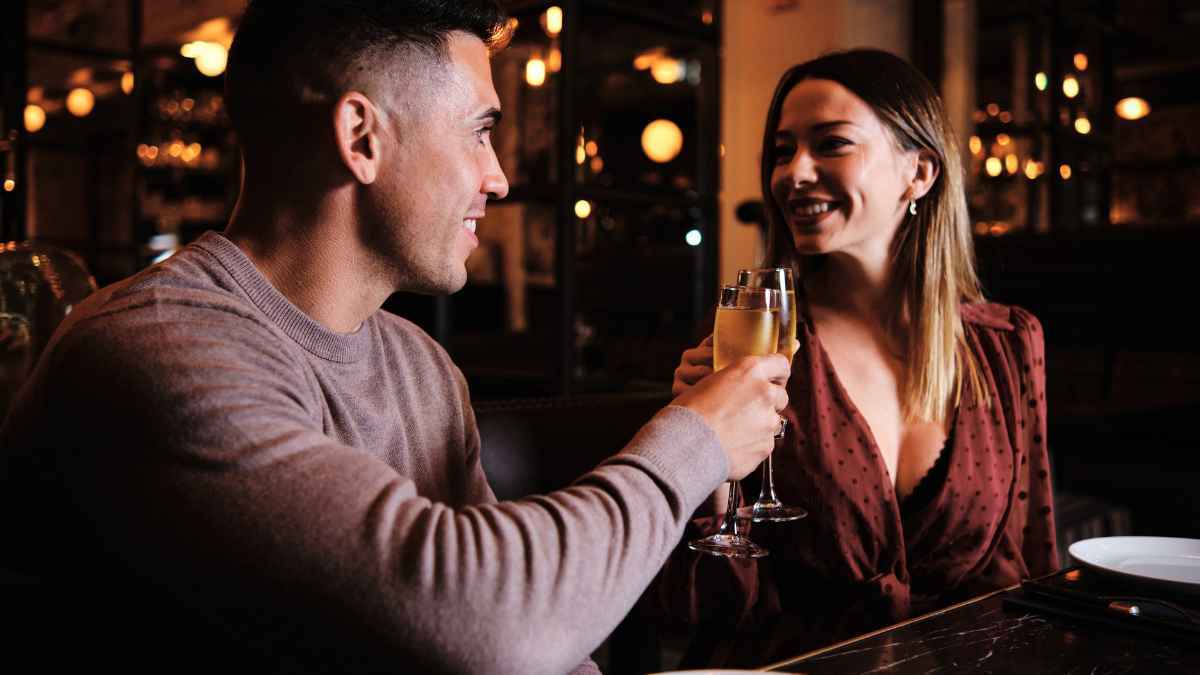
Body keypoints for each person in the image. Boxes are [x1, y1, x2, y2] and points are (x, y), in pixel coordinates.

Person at [0, 2, 791, 674]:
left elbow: (540, 644)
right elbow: (482, 621)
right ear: (362, 137)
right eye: (480, 132)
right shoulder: (157, 349)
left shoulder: (421, 365)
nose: (500, 175)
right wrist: (695, 442)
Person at [662, 49, 1058, 668]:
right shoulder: (759, 345)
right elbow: (710, 609)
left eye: (831, 144)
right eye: (782, 150)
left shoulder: (1005, 345)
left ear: (919, 171)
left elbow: (1032, 561)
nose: (793, 173)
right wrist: (699, 459)